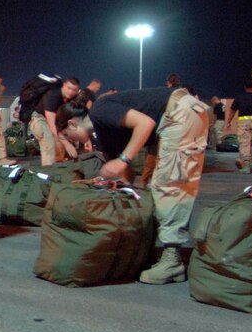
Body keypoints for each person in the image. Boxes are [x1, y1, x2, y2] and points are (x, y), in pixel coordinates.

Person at [60, 85, 209, 285]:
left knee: (169, 185)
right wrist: (117, 183)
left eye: (66, 135)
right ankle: (164, 250)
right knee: (159, 183)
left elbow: (145, 123)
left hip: (179, 113)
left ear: (71, 123)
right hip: (174, 116)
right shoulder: (104, 134)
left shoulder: (99, 111)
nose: (70, 142)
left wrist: (123, 160)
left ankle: (172, 261)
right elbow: (126, 176)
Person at [29, 76, 80, 166]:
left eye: (74, 90)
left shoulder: (72, 98)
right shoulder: (53, 96)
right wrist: (66, 144)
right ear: (63, 85)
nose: (71, 92)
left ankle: (63, 166)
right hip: (40, 119)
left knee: (72, 134)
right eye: (69, 88)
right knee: (49, 142)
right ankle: (48, 170)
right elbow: (51, 124)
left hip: (56, 122)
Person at [226, 77, 252, 173]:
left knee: (244, 143)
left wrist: (228, 122)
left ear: (244, 87)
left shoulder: (239, 97)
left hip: (243, 121)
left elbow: (232, 111)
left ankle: (246, 166)